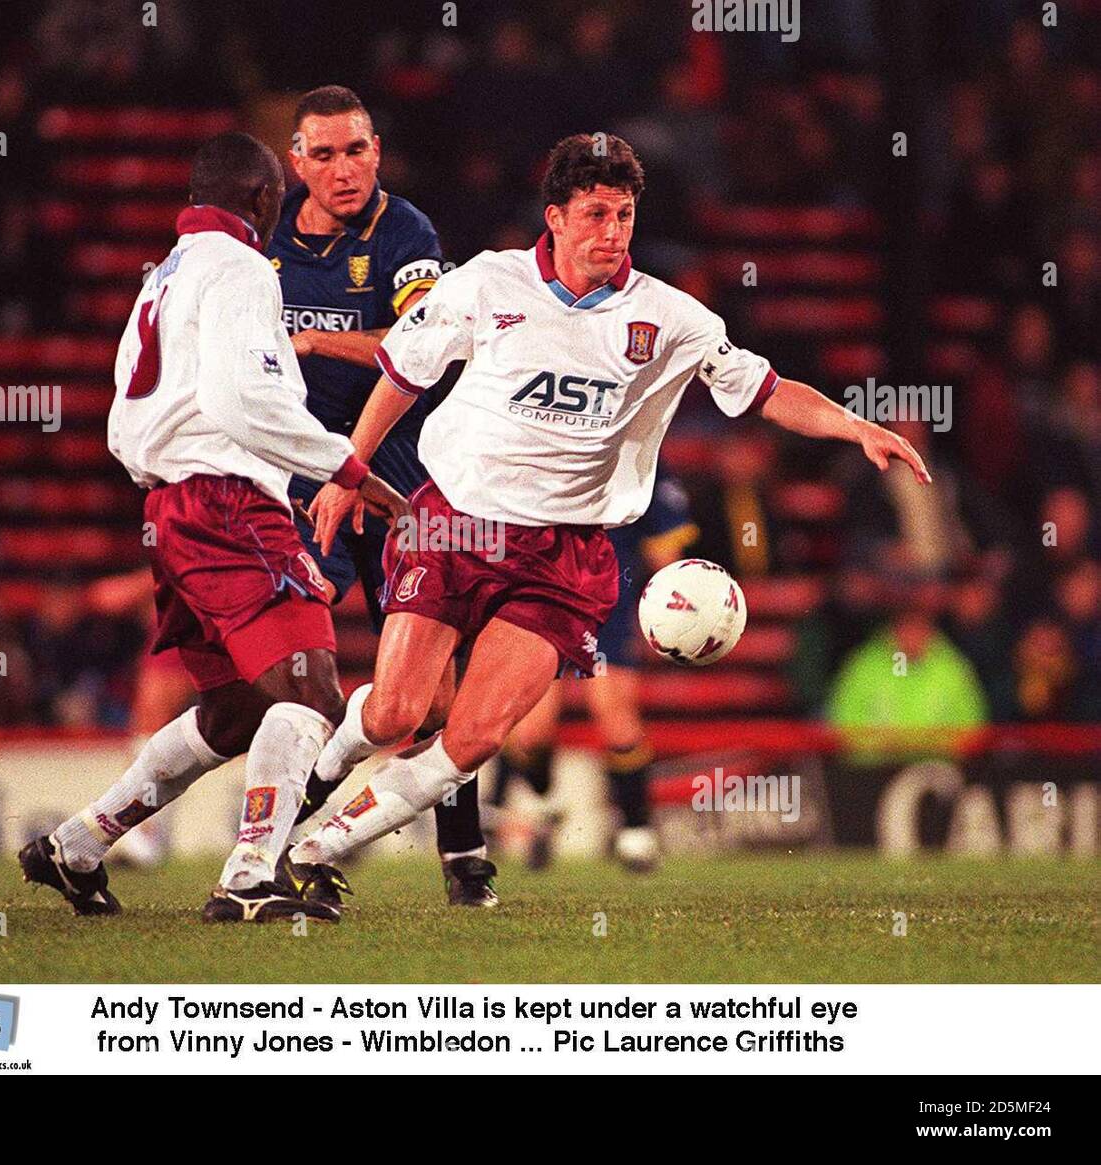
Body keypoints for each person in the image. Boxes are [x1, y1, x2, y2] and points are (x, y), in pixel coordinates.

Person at [281, 133, 930, 886]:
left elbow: (767, 388)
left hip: (562, 555)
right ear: (553, 217)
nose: (610, 233)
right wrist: (347, 469)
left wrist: (853, 423)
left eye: (623, 216)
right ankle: (311, 789)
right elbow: (402, 372)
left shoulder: (671, 318)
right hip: (452, 524)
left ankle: (312, 849)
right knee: (395, 714)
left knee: (477, 734)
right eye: (594, 214)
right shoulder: (486, 284)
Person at [18, 132, 407, 924]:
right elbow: (245, 402)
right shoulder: (240, 269)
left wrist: (171, 488)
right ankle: (250, 871)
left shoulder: (163, 276)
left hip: (170, 507)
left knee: (233, 712)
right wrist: (349, 470)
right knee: (309, 690)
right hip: (226, 503)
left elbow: (125, 421)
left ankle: (79, 843)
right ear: (263, 201)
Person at [268, 85, 494, 907]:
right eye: (323, 154)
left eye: (356, 150)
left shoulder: (406, 233)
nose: (343, 169)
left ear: (377, 152)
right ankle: (279, 852)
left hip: (397, 476)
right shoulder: (266, 240)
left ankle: (461, 854)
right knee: (299, 672)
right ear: (297, 162)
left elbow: (422, 347)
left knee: (433, 691)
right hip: (295, 479)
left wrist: (311, 338)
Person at [496, 469, 698, 872]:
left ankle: (636, 832)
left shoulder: (641, 461)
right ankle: (542, 808)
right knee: (530, 733)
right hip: (542, 604)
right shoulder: (539, 454)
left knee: (617, 720)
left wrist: (669, 610)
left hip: (607, 612)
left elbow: (666, 555)